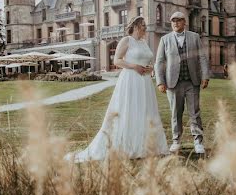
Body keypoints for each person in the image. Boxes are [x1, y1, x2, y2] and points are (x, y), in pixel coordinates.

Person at [67, 16, 168, 161]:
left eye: (145, 25)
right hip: (131, 80)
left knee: (145, 111)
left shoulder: (144, 42)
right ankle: (127, 145)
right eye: (143, 25)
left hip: (145, 82)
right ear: (135, 26)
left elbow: (148, 60)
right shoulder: (127, 41)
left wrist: (150, 68)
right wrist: (134, 66)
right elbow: (117, 61)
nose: (145, 27)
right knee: (130, 110)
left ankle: (147, 146)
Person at [154, 11, 210, 154]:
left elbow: (202, 57)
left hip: (192, 81)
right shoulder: (165, 39)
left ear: (184, 22)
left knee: (194, 113)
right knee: (175, 113)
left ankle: (198, 142)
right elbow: (159, 62)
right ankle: (176, 141)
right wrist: (160, 81)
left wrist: (205, 76)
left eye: (178, 20)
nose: (175, 23)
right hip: (173, 83)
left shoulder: (194, 37)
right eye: (173, 21)